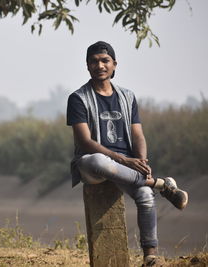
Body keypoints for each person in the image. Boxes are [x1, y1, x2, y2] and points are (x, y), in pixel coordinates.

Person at [66, 41, 188, 266]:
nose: (99, 65)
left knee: (144, 196)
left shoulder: (128, 96)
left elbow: (138, 135)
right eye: (94, 61)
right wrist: (123, 159)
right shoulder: (78, 98)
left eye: (105, 60)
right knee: (98, 160)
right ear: (87, 66)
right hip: (94, 165)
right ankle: (161, 184)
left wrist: (140, 161)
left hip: (129, 166)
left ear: (114, 65)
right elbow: (84, 141)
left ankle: (150, 256)